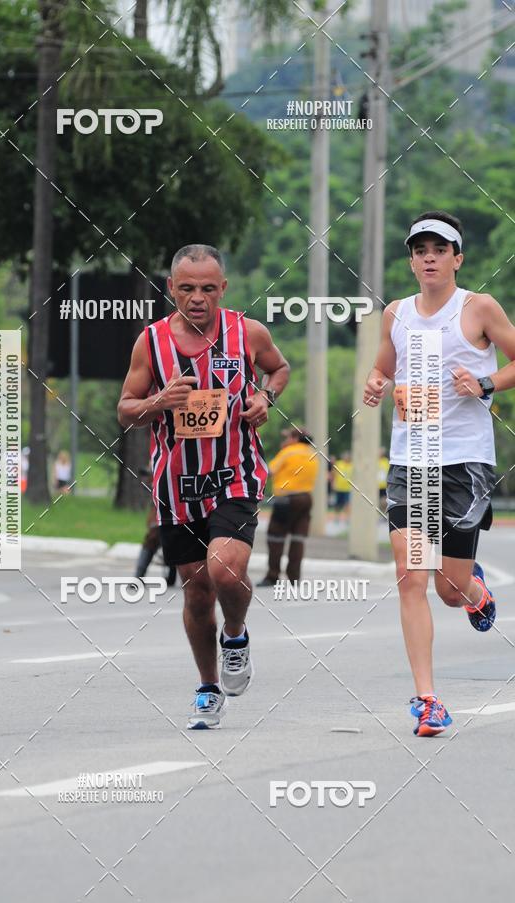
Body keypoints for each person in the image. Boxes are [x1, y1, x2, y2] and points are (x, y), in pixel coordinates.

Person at [118, 244, 290, 729]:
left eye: (208, 289)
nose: (197, 298)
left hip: (234, 475)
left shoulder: (247, 333)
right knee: (196, 592)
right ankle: (208, 687)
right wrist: (158, 402)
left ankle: (235, 636)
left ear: (223, 289)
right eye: (187, 288)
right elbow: (125, 409)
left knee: (226, 570)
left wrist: (265, 397)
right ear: (172, 288)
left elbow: (280, 369)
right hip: (177, 487)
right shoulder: (150, 343)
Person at [364, 210, 515, 737]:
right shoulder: (396, 314)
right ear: (411, 260)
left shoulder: (479, 309)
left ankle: (475, 592)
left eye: (439, 248)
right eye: (419, 249)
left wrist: (487, 383)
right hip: (411, 458)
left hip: (464, 460)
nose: (429, 257)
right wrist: (376, 382)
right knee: (411, 578)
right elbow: (384, 365)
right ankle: (427, 699)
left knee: (449, 587)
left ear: (457, 258)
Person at [258, 425, 318, 585]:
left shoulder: (288, 452)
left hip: (286, 498)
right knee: (298, 538)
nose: (285, 441)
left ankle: (272, 575)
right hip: (306, 498)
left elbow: (268, 471)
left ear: (295, 439)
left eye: (287, 438)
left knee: (275, 536)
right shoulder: (313, 454)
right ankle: (294, 577)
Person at [332, 451, 352, 522]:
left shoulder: (351, 465)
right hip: (339, 487)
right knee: (338, 504)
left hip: (348, 488)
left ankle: (347, 518)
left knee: (347, 504)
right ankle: (336, 517)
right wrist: (333, 483)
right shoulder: (339, 463)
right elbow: (333, 474)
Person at [378, 446, 390, 512]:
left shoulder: (385, 461)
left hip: (383, 485)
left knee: (384, 501)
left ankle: (383, 513)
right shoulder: (374, 460)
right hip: (375, 485)